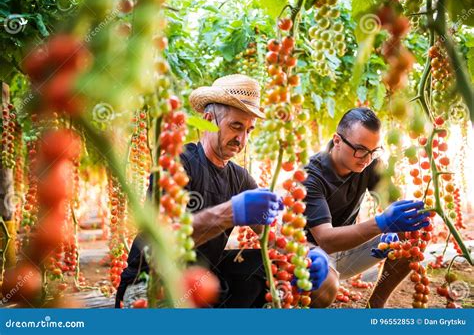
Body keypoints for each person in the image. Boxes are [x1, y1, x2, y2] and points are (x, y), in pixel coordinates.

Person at [116, 74, 329, 308]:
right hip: (150, 284)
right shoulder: (178, 164)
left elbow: (275, 236)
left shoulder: (240, 178)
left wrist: (307, 252)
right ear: (208, 119)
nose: (241, 139)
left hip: (201, 283)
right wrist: (229, 213)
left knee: (267, 265)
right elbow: (163, 241)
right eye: (235, 126)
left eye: (249, 130)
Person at [302, 107, 430, 308]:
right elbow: (325, 240)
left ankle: (375, 307)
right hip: (314, 255)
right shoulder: (311, 178)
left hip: (347, 249)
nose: (367, 158)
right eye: (360, 149)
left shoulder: (369, 162)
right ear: (337, 141)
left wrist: (395, 230)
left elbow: (393, 203)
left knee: (414, 230)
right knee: (325, 289)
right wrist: (381, 223)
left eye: (374, 151)